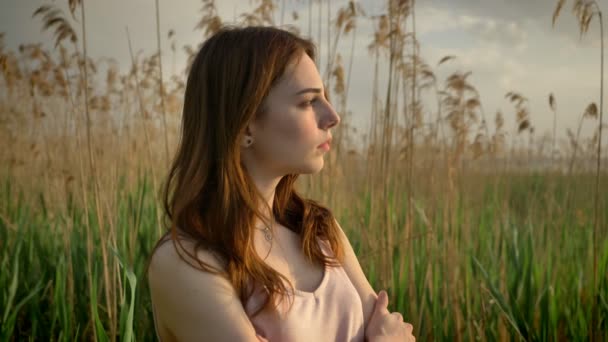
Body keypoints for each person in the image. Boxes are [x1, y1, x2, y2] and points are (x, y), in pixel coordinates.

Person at [147, 25, 415, 342]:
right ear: (245, 123)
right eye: (307, 101)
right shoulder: (187, 262)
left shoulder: (318, 230)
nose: (332, 116)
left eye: (325, 97)